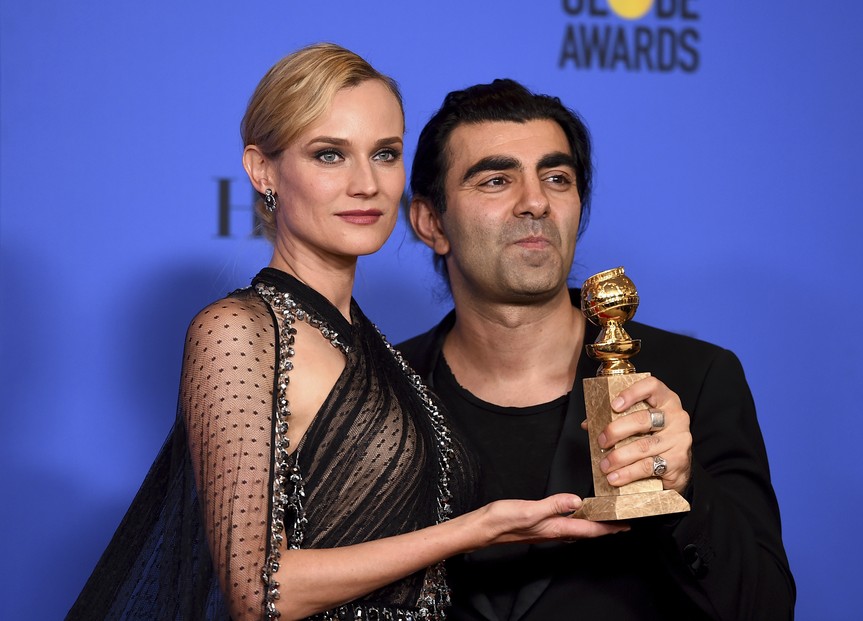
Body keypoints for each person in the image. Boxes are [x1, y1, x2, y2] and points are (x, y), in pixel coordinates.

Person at [66, 47, 625, 621]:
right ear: (262, 171)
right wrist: (472, 531)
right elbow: (259, 591)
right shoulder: (239, 331)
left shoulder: (375, 347)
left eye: (385, 154)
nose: (367, 184)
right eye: (330, 155)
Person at [399, 79, 796, 620]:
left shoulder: (696, 378)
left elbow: (766, 609)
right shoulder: (379, 388)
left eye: (556, 178)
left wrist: (686, 491)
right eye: (495, 180)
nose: (535, 201)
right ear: (431, 222)